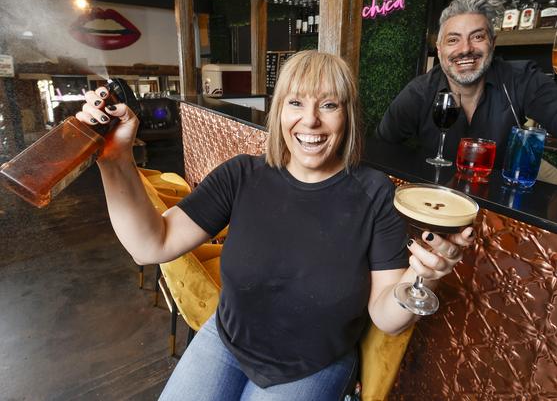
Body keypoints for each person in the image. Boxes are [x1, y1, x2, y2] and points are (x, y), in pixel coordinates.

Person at [76, 50, 475, 401]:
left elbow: (386, 318)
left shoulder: (374, 194)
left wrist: (423, 276)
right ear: (279, 111)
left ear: (348, 114)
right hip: (225, 339)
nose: (311, 121)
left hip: (313, 363)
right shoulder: (242, 175)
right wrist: (116, 161)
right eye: (296, 103)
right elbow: (151, 245)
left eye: (330, 105)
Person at [376, 0, 557, 173]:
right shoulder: (420, 92)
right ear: (440, 49)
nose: (465, 49)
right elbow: (381, 146)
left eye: (477, 37)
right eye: (453, 40)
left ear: (493, 44)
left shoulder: (520, 78)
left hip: (496, 187)